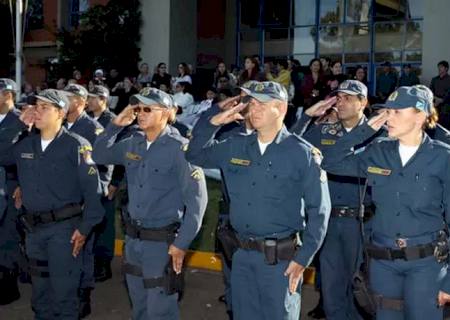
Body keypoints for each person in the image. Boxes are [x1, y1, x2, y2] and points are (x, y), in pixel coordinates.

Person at [186, 81, 331, 319]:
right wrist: (212, 123)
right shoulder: (236, 146)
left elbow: (320, 211)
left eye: (263, 104)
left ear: (282, 109)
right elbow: (195, 154)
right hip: (241, 256)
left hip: (281, 261)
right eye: (252, 103)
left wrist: (303, 259)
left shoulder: (302, 153)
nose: (254, 109)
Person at [321, 85, 450, 319]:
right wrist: (365, 130)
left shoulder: (443, 157)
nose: (388, 117)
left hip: (426, 264)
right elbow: (331, 161)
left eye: (397, 112)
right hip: (383, 262)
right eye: (387, 111)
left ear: (420, 115)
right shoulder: (378, 150)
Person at [92, 87, 207, 319]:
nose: (140, 113)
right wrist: (115, 125)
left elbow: (197, 202)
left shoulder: (180, 149)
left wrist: (182, 244)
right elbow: (99, 154)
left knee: (160, 309)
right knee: (140, 307)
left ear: (166, 112)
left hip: (162, 243)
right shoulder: (132, 142)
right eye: (138, 109)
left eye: (147, 109)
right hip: (134, 240)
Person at [0, 89, 104, 319]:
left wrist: (84, 229)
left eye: (44, 107)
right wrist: (18, 126)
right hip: (34, 230)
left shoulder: (76, 145)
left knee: (64, 295)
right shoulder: (26, 144)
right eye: (36, 106)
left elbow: (93, 193)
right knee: (40, 295)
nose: (37, 111)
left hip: (65, 230)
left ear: (60, 113)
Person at [292, 80, 376, 320]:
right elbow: (288, 146)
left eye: (349, 98)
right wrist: (306, 117)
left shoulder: (378, 133)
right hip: (329, 223)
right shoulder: (324, 132)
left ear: (364, 103)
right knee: (331, 290)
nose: (342, 102)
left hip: (362, 223)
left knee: (362, 289)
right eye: (339, 97)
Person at [63, 83, 106, 318]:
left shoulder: (93, 128)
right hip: (62, 196)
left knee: (85, 247)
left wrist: (104, 187)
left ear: (80, 102)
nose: (63, 102)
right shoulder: (58, 122)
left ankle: (83, 294)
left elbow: (101, 162)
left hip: (83, 195)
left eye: (68, 98)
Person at [86, 85, 117, 283]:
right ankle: (91, 261)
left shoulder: (113, 121)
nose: (89, 101)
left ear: (103, 99)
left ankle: (104, 263)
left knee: (105, 223)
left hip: (106, 178)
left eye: (92, 98)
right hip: (88, 179)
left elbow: (120, 153)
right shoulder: (87, 119)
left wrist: (115, 182)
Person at [0, 78, 22, 305]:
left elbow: (27, 157)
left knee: (8, 235)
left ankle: (9, 284)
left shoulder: (21, 120)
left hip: (11, 184)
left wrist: (22, 186)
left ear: (8, 95)